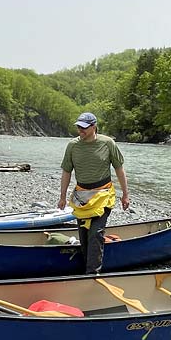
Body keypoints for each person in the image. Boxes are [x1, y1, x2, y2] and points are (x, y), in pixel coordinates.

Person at [58, 112, 130, 274]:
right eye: (78, 127)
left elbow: (119, 169)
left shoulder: (108, 143)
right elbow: (66, 172)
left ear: (94, 127)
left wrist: (125, 194)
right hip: (81, 196)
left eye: (84, 127)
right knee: (84, 235)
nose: (80, 130)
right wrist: (62, 197)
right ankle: (86, 266)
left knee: (96, 233)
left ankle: (92, 273)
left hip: (103, 194)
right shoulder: (72, 146)